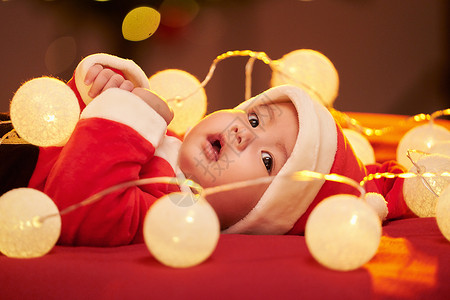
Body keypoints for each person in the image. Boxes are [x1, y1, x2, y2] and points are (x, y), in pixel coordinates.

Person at [4, 53, 410, 246]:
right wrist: (100, 88)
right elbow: (63, 128)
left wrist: (124, 112)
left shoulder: (176, 208)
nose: (244, 135)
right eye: (253, 119)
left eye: (269, 160)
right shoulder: (172, 140)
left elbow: (84, 207)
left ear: (257, 217)